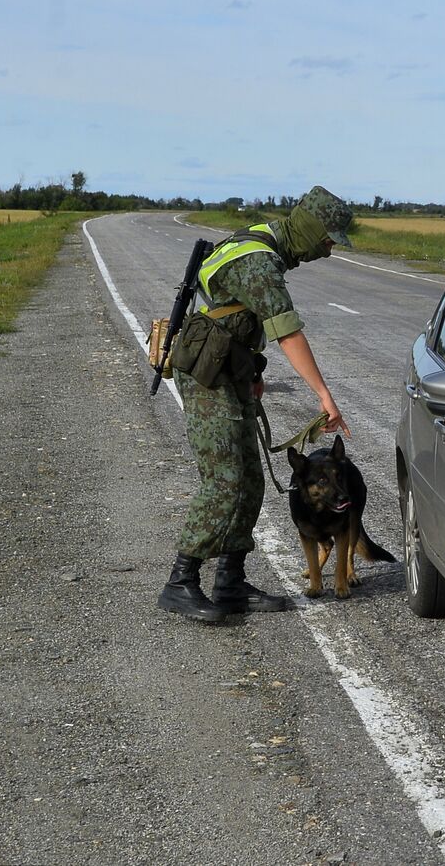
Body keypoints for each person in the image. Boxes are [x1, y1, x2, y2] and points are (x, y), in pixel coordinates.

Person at [158, 186, 354, 623]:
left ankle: (230, 582)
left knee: (250, 479)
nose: (327, 252)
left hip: (232, 372)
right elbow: (287, 331)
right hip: (210, 381)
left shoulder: (262, 241)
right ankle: (180, 581)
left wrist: (255, 372)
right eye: (327, 241)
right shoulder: (260, 261)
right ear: (309, 229)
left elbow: (238, 314)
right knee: (225, 482)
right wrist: (325, 396)